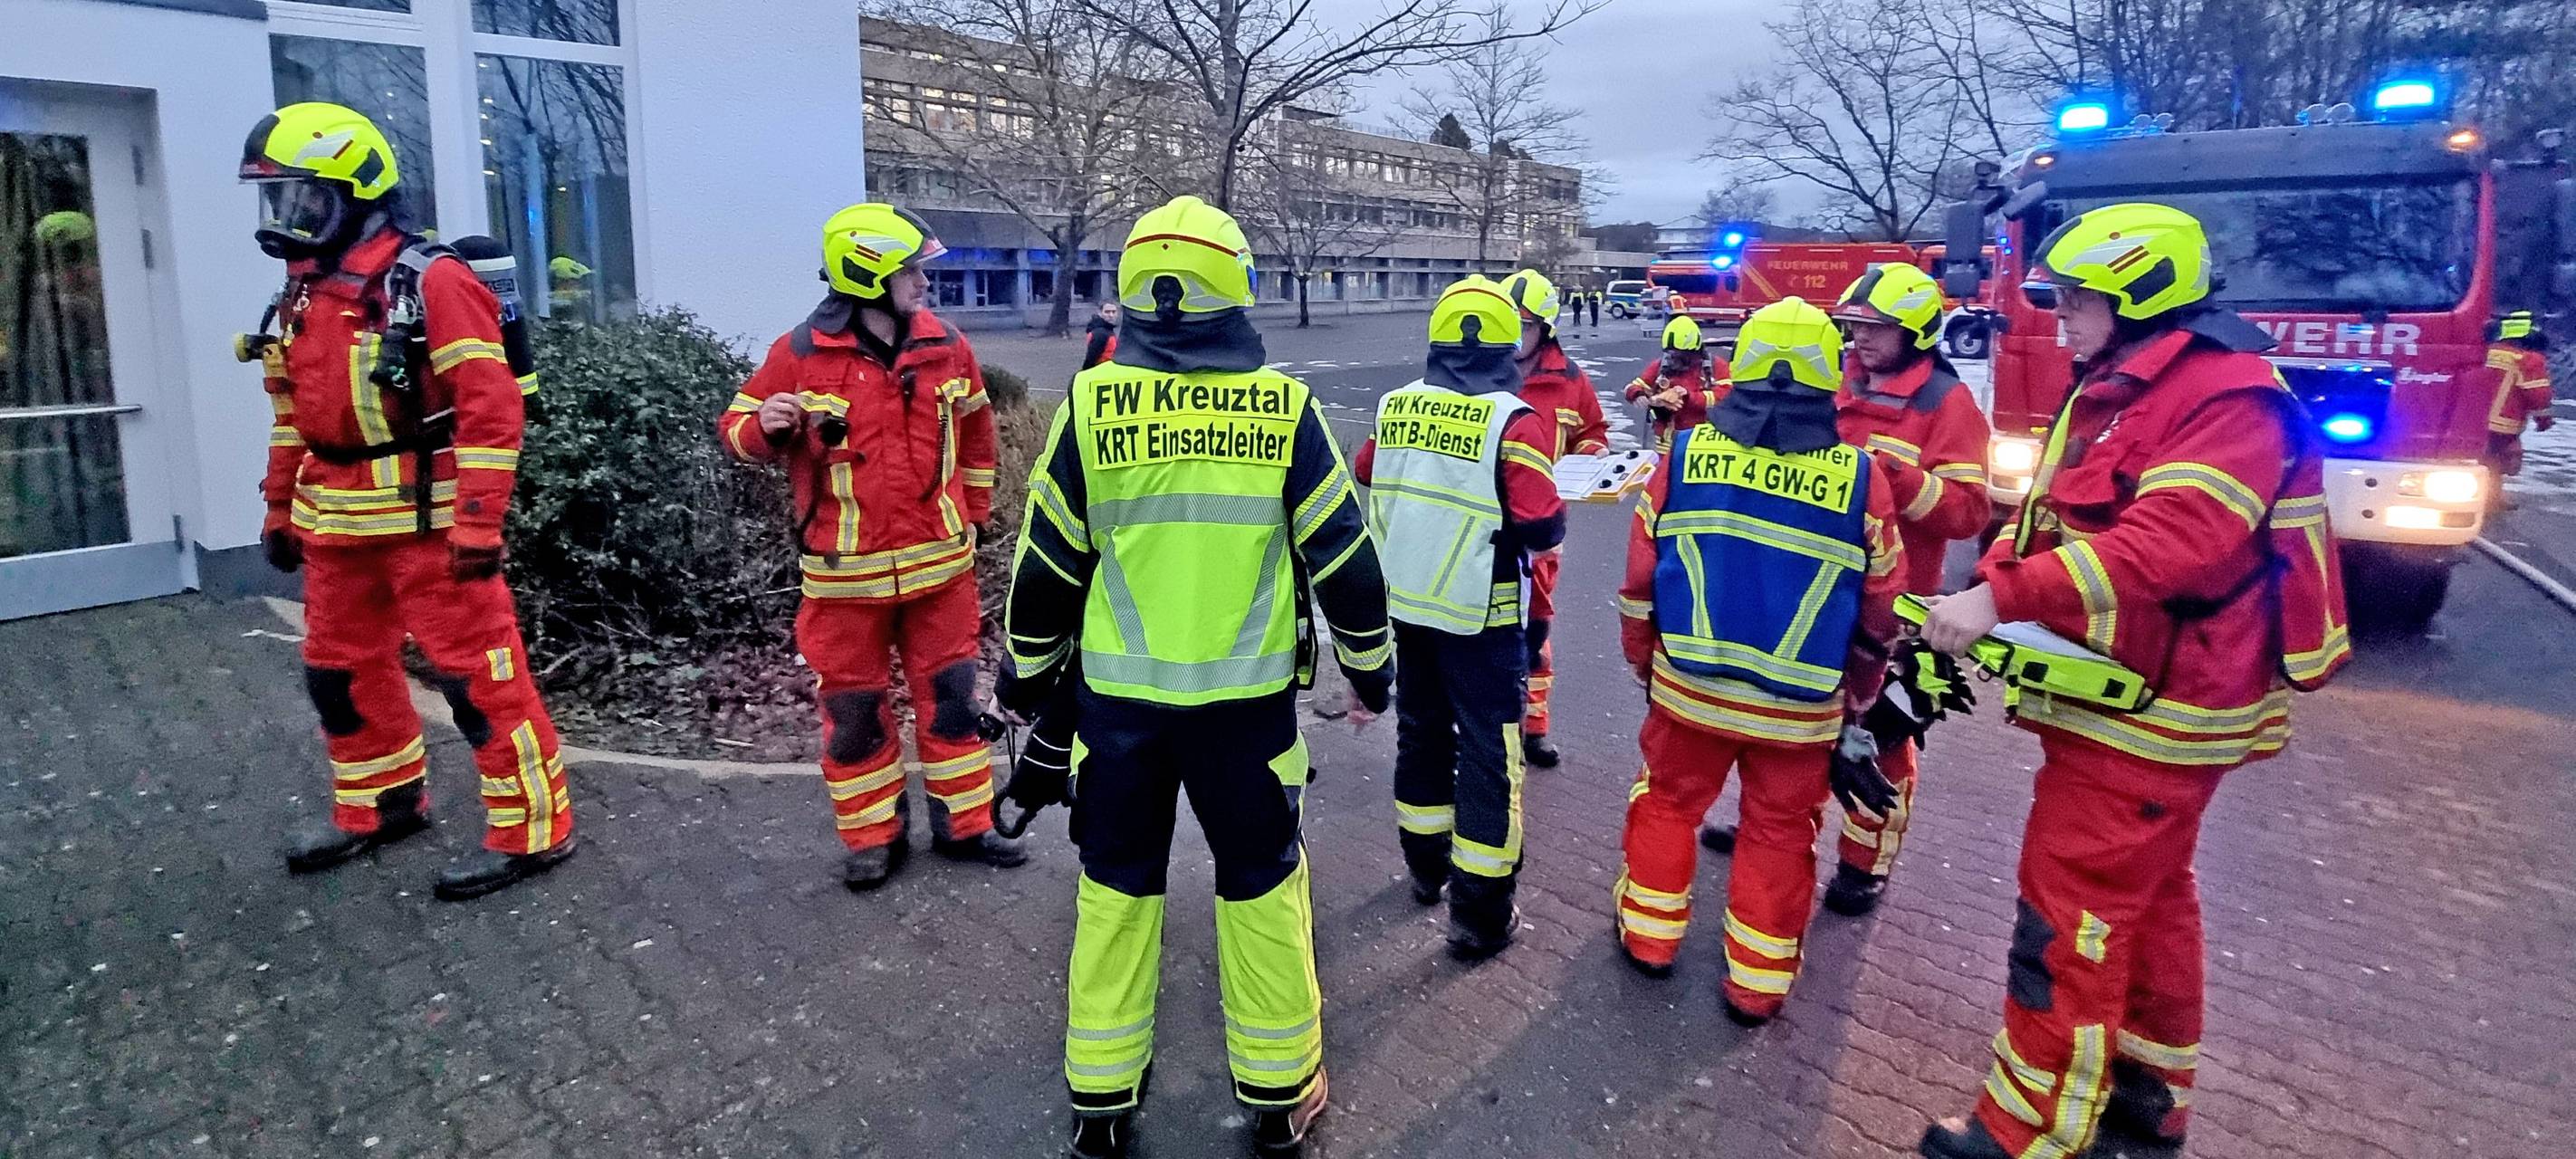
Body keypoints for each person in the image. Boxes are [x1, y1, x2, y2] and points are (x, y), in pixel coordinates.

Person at [1914, 204, 2350, 1159]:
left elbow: (2173, 544)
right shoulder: (2132, 384)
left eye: (2077, 300)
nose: (2060, 318)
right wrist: (2005, 565)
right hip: (2139, 696)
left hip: (2159, 709)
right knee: (2147, 902)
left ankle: (2029, 1129)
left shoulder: (2223, 400)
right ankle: (2148, 1095)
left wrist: (1999, 597)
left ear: (2141, 296)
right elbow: (2069, 516)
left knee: (2068, 916)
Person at [998, 195, 1393, 1159]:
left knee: (1116, 885)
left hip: (1119, 713)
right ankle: (1278, 1093)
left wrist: (1027, 676)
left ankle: (1099, 1098)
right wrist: (1372, 671)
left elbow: (1045, 561)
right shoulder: (1284, 409)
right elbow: (1345, 556)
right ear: (1237, 294)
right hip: (1246, 718)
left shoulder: (1090, 405)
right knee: (1260, 886)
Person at [242, 102, 576, 899]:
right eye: (277, 202)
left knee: (479, 684)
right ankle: (382, 805)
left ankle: (534, 830)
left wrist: (480, 524)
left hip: (430, 527)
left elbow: (492, 410)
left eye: (301, 200)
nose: (288, 221)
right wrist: (281, 510)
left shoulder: (431, 281)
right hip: (336, 524)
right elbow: (293, 415)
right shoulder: (303, 292)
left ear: (354, 193)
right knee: (338, 674)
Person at [1610, 297, 1907, 1023]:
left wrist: (1644, 663)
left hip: (1687, 690)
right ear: (1827, 377)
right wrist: (1861, 691)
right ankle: (1758, 984)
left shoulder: (1684, 456)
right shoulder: (1862, 479)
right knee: (1779, 833)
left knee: (1667, 807)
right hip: (1800, 709)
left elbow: (1639, 580)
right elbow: (1882, 604)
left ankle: (1649, 938)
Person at [717, 201, 1022, 891]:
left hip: (941, 571)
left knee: (950, 700)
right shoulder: (798, 355)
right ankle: (872, 837)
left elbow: (977, 438)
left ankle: (966, 825)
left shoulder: (946, 344)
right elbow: (735, 431)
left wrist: (971, 515)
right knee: (853, 714)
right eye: (911, 269)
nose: (923, 281)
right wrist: (766, 425)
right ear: (868, 276)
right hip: (841, 579)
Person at [1699, 263, 1992, 915]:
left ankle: (1864, 863)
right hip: (1811, 591)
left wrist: (1895, 479)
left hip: (1892, 604)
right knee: (1782, 726)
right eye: (1852, 327)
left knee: (1881, 740)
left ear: (1916, 333)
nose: (1858, 340)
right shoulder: (1836, 382)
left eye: (1874, 330)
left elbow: (1971, 512)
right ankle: (1766, 824)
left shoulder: (1945, 404)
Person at [1353, 276, 1566, 959]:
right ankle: (1478, 913)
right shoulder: (1514, 420)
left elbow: (1366, 470)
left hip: (1408, 606)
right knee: (1486, 757)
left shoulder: (1394, 407)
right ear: (1506, 344)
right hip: (1482, 619)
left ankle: (1424, 870)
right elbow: (1541, 527)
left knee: (1418, 736)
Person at [1502, 268, 1608, 769]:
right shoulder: (1482, 371)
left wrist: (1584, 464)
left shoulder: (1569, 381)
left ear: (1545, 328)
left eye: (1524, 326)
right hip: (1489, 526)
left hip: (1543, 529)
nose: (1515, 336)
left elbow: (1594, 434)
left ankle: (1535, 728)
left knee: (1537, 628)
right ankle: (1493, 722)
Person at [1625, 315, 1729, 455]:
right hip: (1667, 446)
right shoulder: (1662, 365)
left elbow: (1726, 397)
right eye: (1671, 353)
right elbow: (1634, 386)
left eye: (1680, 354)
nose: (1675, 358)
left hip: (1704, 444)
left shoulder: (1716, 366)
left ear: (1695, 351)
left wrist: (1688, 396)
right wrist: (1638, 394)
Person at [2484, 310, 2555, 510]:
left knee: (2482, 458)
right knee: (2496, 463)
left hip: (2472, 419)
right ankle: (2491, 500)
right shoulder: (2527, 360)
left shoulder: (2488, 351)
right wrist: (2544, 421)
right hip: (2503, 423)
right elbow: (2539, 395)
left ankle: (2485, 498)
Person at [1081, 299, 1122, 369]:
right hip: (1103, 371)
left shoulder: (1105, 330)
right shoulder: (1100, 334)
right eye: (1107, 312)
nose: (1111, 315)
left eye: (1113, 312)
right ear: (1100, 313)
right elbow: (1091, 358)